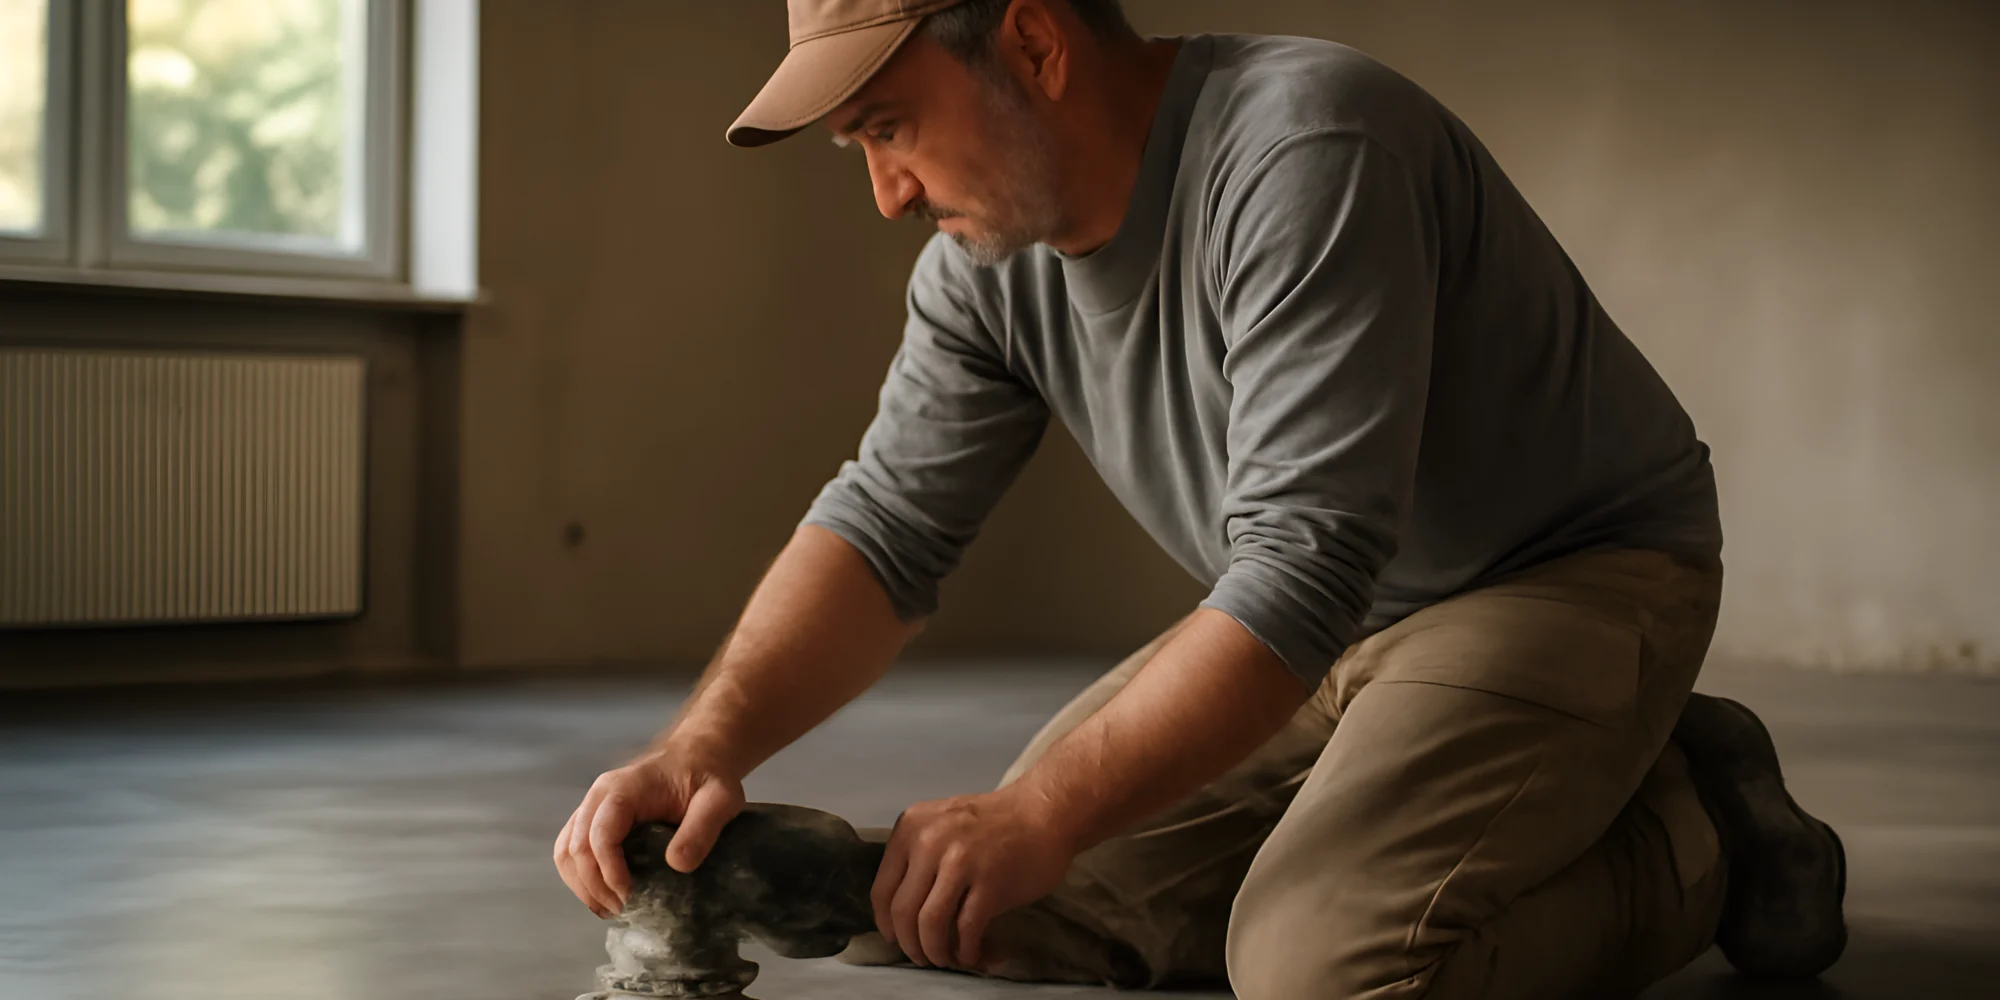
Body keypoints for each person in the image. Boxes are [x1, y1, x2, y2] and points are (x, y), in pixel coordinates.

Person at [553, 1, 1848, 996]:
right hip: (1326, 624)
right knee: (984, 916)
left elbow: (1304, 564)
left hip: (1559, 575)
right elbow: (887, 528)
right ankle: (1495, 788)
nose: (886, 192)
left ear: (1036, 42)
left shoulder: (1306, 145)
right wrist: (700, 749)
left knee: (1317, 965)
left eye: (890, 127)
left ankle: (1702, 826)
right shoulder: (986, 268)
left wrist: (1047, 809)